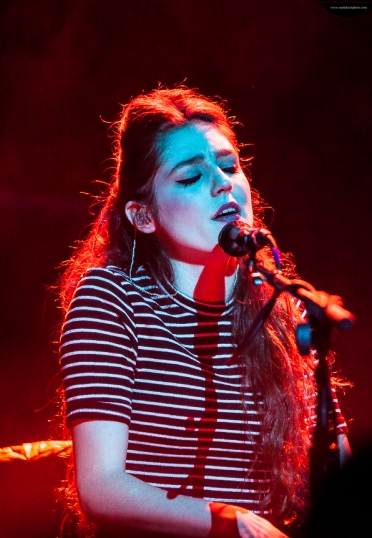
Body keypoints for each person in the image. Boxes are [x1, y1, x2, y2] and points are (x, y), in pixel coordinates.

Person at [57, 86, 350, 538]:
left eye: (230, 166)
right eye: (191, 178)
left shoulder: (283, 311)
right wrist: (227, 520)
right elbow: (101, 486)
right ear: (142, 216)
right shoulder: (112, 298)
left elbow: (337, 468)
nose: (222, 183)